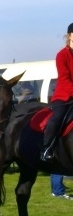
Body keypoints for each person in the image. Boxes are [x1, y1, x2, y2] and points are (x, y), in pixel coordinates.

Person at [41, 23, 73, 161]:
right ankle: (46, 148)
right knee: (58, 117)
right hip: (64, 95)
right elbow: (64, 78)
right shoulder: (62, 55)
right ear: (70, 35)